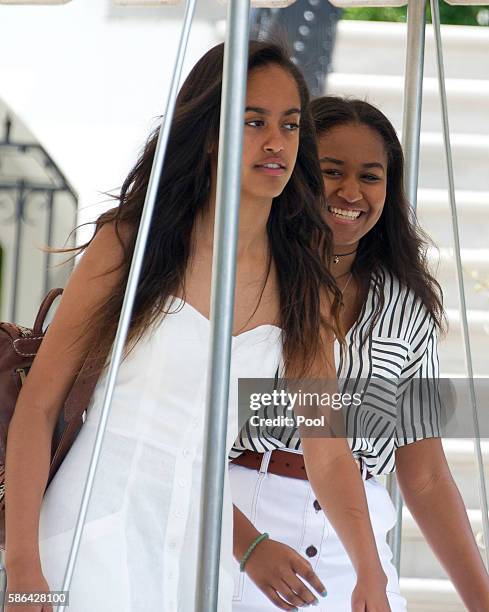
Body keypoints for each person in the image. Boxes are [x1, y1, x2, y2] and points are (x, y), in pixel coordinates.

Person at [4, 47, 392, 612]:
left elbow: (328, 452)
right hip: (86, 534)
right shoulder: (131, 245)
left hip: (197, 563)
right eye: (253, 121)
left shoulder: (302, 282)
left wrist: (370, 572)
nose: (275, 142)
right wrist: (21, 564)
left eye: (289, 125)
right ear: (210, 134)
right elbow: (38, 408)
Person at [230, 96, 489, 611]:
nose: (351, 192)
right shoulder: (244, 272)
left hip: (354, 549)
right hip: (239, 526)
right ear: (299, 173)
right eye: (331, 171)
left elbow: (426, 475)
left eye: (370, 176)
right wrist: (247, 545)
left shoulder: (407, 302)